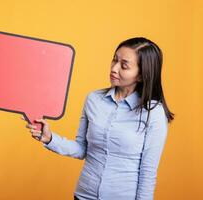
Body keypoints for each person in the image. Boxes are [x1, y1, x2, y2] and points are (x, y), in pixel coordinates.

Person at [23, 37, 174, 200]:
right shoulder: (93, 99)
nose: (114, 68)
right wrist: (50, 138)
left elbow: (148, 171)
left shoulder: (153, 113)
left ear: (141, 75)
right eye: (114, 60)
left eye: (124, 65)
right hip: (83, 195)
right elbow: (82, 149)